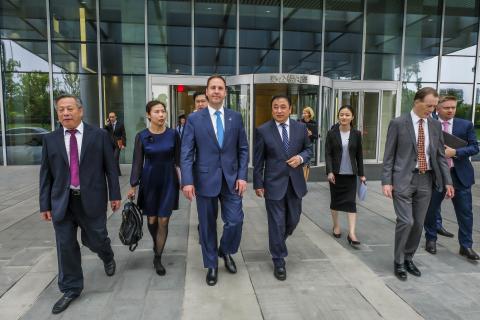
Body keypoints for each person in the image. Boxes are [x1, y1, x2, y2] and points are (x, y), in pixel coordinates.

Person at [39, 94, 121, 314]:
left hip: (92, 199)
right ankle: (71, 288)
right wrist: (44, 205)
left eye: (69, 109)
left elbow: (110, 169)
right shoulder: (51, 139)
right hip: (62, 203)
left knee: (95, 239)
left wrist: (115, 194)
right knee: (65, 246)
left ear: (80, 111)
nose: (65, 113)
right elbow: (46, 174)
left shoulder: (99, 135)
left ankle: (106, 254)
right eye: (61, 110)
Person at [181, 75, 249, 286]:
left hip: (231, 180)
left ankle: (226, 250)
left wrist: (242, 176)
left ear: (225, 92)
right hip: (204, 180)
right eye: (213, 88)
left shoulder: (235, 117)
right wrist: (187, 181)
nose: (217, 91)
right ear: (207, 92)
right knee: (208, 225)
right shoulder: (194, 119)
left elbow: (243, 149)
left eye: (220, 88)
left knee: (235, 220)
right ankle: (211, 264)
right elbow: (186, 152)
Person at [382, 87, 454, 281]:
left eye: (434, 106)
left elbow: (439, 156)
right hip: (403, 178)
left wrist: (447, 181)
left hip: (426, 179)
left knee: (418, 224)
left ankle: (408, 258)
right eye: (429, 105)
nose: (431, 109)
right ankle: (398, 262)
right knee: (406, 221)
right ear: (417, 102)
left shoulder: (435, 126)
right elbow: (388, 156)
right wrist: (386, 181)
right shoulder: (398, 123)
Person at [253, 95, 312, 281]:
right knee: (276, 223)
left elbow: (309, 150)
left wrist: (301, 158)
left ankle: (277, 242)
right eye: (275, 107)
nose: (279, 110)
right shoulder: (263, 130)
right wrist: (258, 183)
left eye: (283, 107)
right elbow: (258, 160)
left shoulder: (301, 128)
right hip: (273, 184)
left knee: (293, 220)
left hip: (295, 184)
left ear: (290, 109)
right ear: (272, 109)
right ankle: (279, 259)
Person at [127, 101, 181, 275]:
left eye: (163, 111)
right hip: (149, 181)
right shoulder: (141, 136)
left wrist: (184, 181)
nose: (161, 114)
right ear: (149, 115)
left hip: (168, 180)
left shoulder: (173, 134)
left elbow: (179, 161)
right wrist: (133, 186)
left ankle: (158, 256)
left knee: (163, 220)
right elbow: (137, 162)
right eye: (157, 111)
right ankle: (156, 240)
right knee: (151, 220)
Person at [424, 96, 479, 260]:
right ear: (437, 108)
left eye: (453, 108)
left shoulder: (465, 125)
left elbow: (475, 147)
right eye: (447, 107)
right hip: (436, 175)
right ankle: (431, 239)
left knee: (465, 213)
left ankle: (466, 246)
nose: (450, 110)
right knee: (431, 210)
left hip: (459, 175)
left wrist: (455, 153)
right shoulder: (429, 124)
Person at [325, 105, 366, 246]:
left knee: (351, 203)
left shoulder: (356, 134)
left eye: (347, 115)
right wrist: (329, 171)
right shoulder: (331, 133)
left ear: (352, 117)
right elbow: (328, 154)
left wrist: (361, 174)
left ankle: (352, 233)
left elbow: (359, 156)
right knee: (335, 202)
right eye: (341, 114)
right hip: (335, 174)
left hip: (350, 174)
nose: (344, 117)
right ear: (338, 116)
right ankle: (336, 226)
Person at [105, 112, 126, 176]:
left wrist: (123, 144)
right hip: (110, 144)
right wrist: (106, 125)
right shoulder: (108, 125)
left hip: (118, 143)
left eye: (112, 117)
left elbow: (123, 134)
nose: (111, 118)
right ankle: (118, 173)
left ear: (115, 117)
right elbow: (104, 132)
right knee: (113, 159)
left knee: (115, 158)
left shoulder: (120, 124)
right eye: (110, 117)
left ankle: (114, 173)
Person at [299, 106, 318, 180]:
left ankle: (305, 181)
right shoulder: (299, 121)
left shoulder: (313, 123)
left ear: (309, 114)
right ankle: (302, 181)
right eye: (303, 112)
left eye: (305, 113)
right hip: (300, 144)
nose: (303, 114)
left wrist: (311, 134)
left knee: (307, 164)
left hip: (309, 144)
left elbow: (316, 136)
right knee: (302, 164)